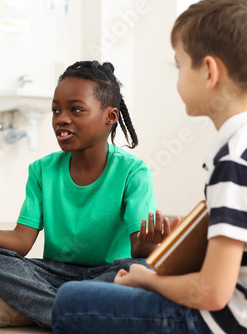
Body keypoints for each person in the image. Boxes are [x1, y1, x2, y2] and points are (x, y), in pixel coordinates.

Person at [0, 60, 177, 328]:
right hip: (54, 273)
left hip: (111, 272)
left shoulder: (133, 171)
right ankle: (73, 312)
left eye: (76, 109)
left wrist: (150, 243)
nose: (62, 118)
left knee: (144, 269)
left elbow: (138, 249)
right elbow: (22, 241)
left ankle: (39, 310)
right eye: (56, 110)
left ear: (110, 117)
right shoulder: (42, 170)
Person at [51, 1, 247, 333]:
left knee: (69, 301)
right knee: (131, 267)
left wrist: (149, 281)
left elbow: (212, 293)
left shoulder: (232, 159)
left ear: (210, 72)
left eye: (180, 66)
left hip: (220, 322)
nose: (177, 77)